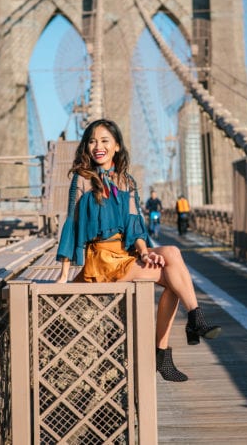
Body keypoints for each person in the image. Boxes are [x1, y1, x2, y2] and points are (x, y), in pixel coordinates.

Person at [56, 119, 221, 382]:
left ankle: (184, 330)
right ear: (87, 147)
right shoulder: (83, 180)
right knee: (173, 272)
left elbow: (135, 224)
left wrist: (145, 253)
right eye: (92, 141)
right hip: (101, 260)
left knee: (172, 261)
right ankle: (179, 337)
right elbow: (72, 223)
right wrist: (64, 274)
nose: (98, 146)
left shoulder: (127, 182)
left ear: (117, 147)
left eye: (104, 140)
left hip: (125, 255)